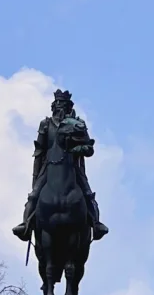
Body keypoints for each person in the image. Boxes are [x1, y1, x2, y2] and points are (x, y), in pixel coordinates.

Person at [12, 89, 108, 242]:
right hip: (49, 167)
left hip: (73, 168)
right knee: (34, 196)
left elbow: (89, 149)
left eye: (63, 103)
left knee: (88, 195)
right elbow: (39, 151)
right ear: (53, 106)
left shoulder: (78, 124)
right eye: (57, 103)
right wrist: (36, 176)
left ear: (68, 106)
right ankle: (26, 225)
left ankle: (96, 224)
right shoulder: (46, 124)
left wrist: (77, 149)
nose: (60, 106)